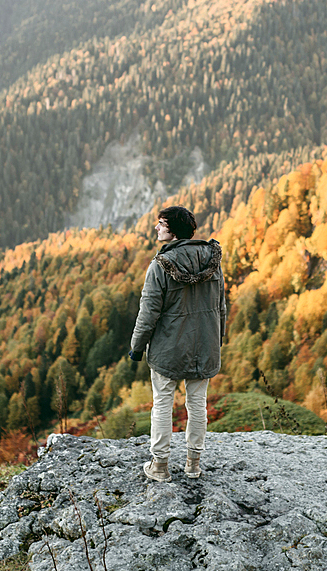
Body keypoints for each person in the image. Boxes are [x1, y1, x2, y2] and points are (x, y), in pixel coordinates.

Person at [129, 206, 226, 482]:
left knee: (162, 403)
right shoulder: (213, 261)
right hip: (204, 345)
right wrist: (217, 339)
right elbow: (221, 306)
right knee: (198, 404)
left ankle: (159, 467)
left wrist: (137, 346)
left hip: (169, 348)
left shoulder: (160, 265)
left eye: (161, 224)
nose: (156, 228)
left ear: (173, 230)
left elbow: (148, 312)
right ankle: (193, 464)